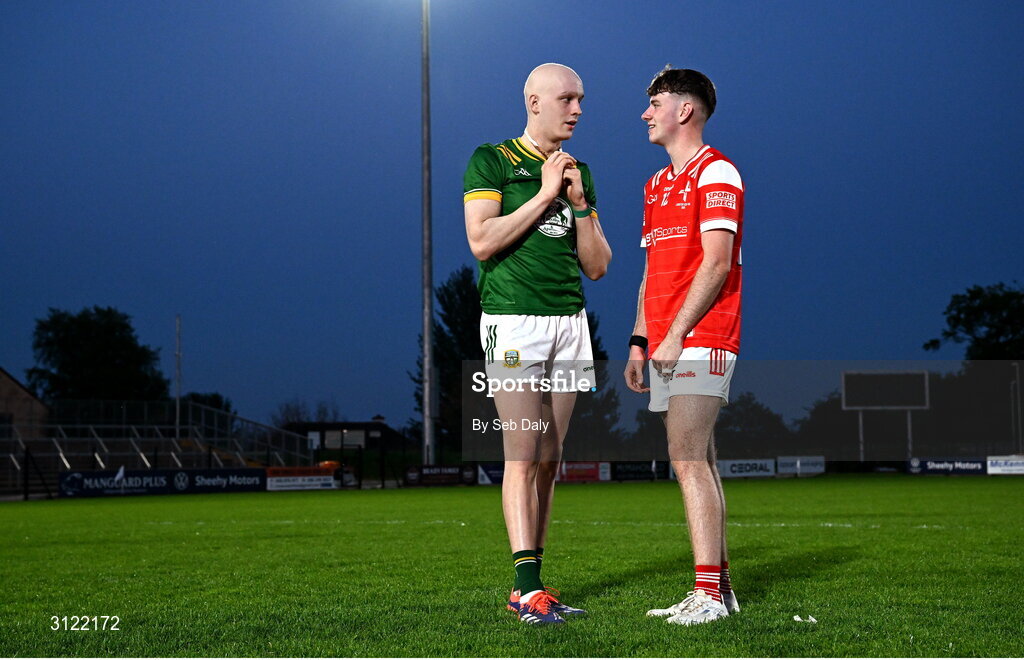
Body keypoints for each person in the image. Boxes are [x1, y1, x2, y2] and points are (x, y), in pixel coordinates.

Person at [464, 63, 612, 625]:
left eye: (581, 99)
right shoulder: (492, 160)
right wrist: (544, 193)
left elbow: (598, 267)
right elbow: (482, 241)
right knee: (522, 454)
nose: (577, 109)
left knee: (551, 459)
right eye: (567, 98)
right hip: (513, 322)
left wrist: (575, 202)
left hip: (570, 323)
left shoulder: (582, 171)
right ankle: (524, 589)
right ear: (533, 101)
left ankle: (537, 584)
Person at [623, 67, 744, 626]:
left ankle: (710, 598)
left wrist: (674, 335)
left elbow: (717, 264)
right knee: (702, 462)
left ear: (685, 110)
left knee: (688, 460)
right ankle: (718, 590)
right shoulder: (654, 185)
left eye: (655, 103)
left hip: (704, 338)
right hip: (668, 343)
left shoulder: (717, 171)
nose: (646, 113)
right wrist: (640, 340)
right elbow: (651, 272)